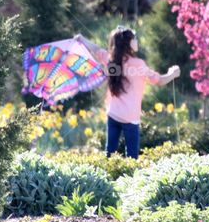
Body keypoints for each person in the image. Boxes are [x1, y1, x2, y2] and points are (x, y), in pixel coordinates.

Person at [75, 27, 180, 158]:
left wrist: (82, 39)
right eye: (134, 39)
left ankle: (107, 178)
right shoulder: (138, 64)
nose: (136, 41)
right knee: (132, 157)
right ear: (128, 43)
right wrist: (172, 74)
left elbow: (97, 50)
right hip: (130, 118)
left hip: (113, 113)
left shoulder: (111, 61)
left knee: (110, 154)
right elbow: (158, 80)